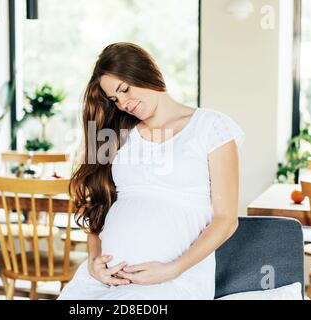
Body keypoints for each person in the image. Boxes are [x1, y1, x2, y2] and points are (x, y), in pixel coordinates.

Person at [58, 42, 245, 299]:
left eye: (125, 89)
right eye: (115, 99)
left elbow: (226, 220)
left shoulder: (211, 127)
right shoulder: (118, 135)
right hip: (103, 280)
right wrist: (94, 262)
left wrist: (172, 270)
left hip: (172, 280)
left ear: (145, 72)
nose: (123, 103)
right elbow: (99, 210)